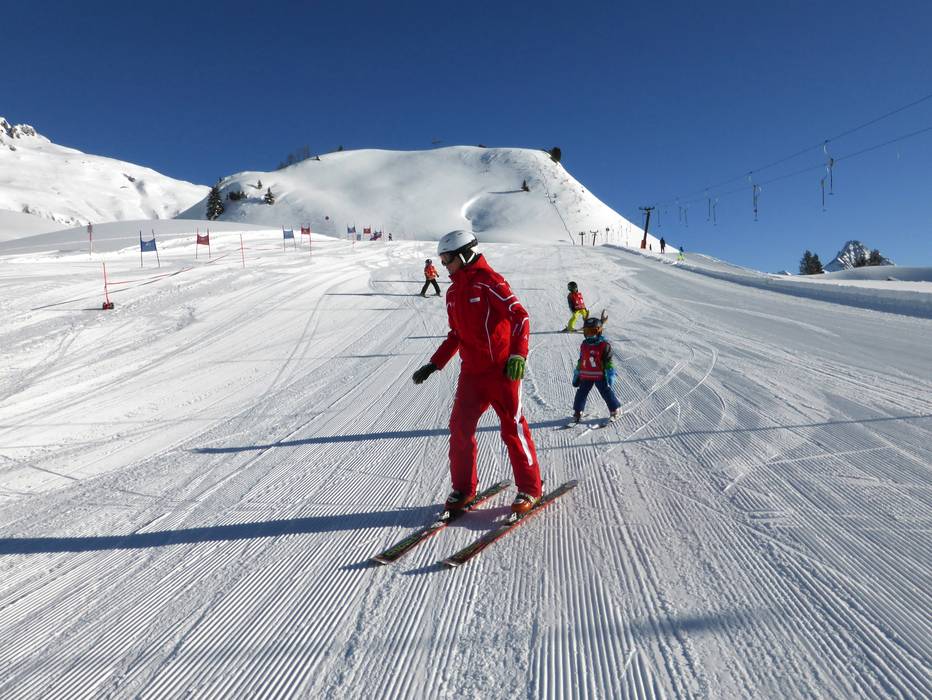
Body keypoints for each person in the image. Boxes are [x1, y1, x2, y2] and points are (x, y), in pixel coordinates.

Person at [411, 230, 543, 515]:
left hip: (502, 370)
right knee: (459, 428)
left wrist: (518, 353)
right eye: (442, 260)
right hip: (472, 374)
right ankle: (463, 489)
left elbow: (520, 316)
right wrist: (434, 364)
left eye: (448, 259)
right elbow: (456, 335)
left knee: (512, 427)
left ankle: (530, 488)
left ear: (465, 254)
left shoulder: (490, 282)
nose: (444, 265)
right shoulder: (452, 293)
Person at [570, 314, 621, 423]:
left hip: (599, 375)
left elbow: (608, 362)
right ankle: (578, 411)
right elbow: (581, 359)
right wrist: (577, 372)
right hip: (586, 375)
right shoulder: (584, 345)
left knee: (606, 392)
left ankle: (615, 410)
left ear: (599, 331)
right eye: (587, 331)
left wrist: (610, 373)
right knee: (581, 393)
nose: (589, 334)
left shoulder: (604, 345)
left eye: (592, 331)